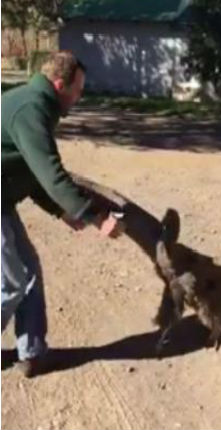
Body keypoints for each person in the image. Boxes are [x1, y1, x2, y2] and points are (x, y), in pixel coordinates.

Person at [1, 51, 124, 377]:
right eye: (77, 90)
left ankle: (33, 353)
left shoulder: (36, 106)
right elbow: (52, 174)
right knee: (12, 283)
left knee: (28, 272)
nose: (79, 97)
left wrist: (61, 210)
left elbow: (33, 174)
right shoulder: (31, 109)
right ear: (59, 85)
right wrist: (94, 217)